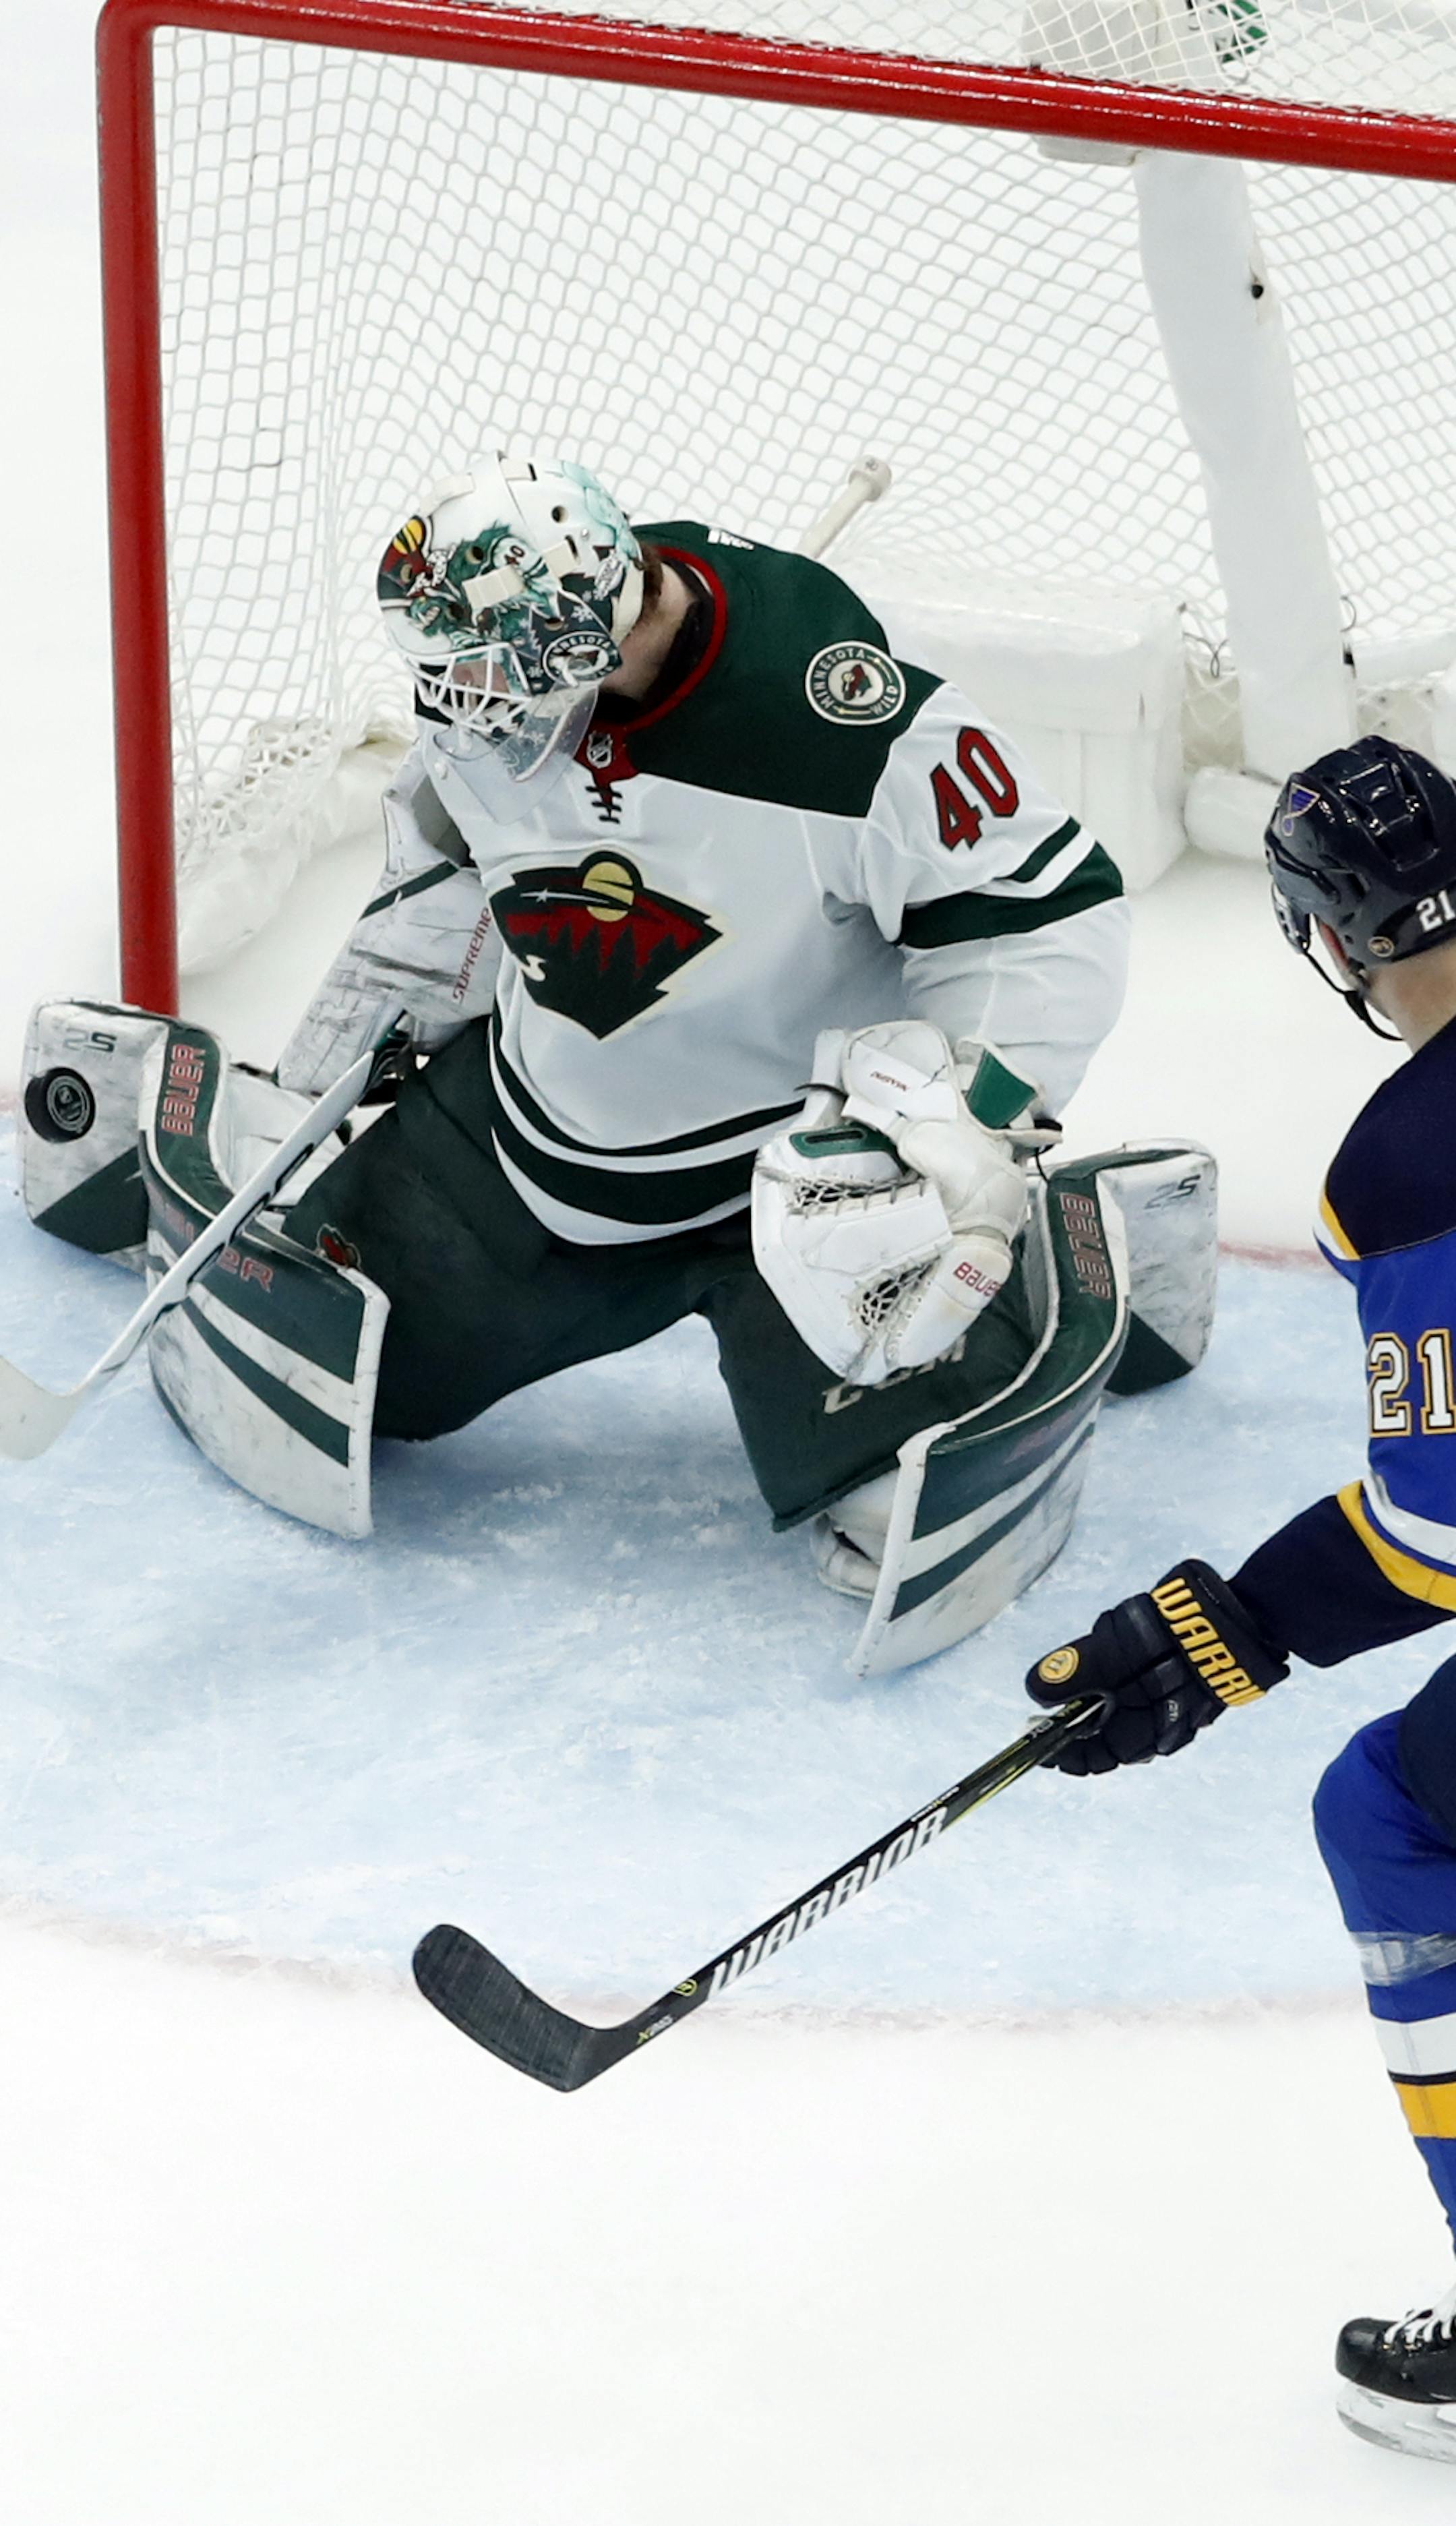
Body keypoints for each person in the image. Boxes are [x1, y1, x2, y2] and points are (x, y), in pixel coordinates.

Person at [20, 450, 1209, 1670]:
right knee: (365, 1382)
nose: (460, 703)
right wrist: (332, 1073)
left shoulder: (844, 722)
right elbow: (447, 867)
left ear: (589, 631)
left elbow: (1041, 916)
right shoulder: (495, 695)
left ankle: (1067, 1244)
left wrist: (973, 1120)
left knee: (890, 1498)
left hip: (792, 1189)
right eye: (446, 670)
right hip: (535, 1143)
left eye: (487, 671)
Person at [1023, 733, 1456, 2464]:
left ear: (1329, 941)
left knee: (1395, 1817)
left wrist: (1227, 1633)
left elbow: (1435, 1532)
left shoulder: (1418, 1161)